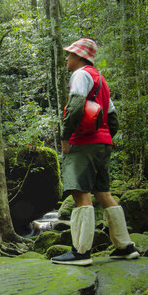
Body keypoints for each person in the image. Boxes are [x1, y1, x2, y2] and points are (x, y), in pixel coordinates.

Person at [51, 38, 139, 266]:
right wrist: (104, 139)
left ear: (81, 58)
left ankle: (80, 252)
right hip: (103, 143)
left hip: (84, 143)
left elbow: (77, 105)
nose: (67, 59)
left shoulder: (81, 74)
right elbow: (113, 119)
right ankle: (125, 247)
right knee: (103, 192)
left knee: (80, 192)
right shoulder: (102, 81)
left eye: (70, 55)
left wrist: (65, 136)